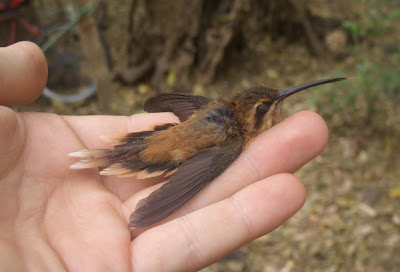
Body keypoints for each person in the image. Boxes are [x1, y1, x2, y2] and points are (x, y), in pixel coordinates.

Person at [0, 42, 328, 271]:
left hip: (173, 138)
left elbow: (186, 106)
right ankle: (112, 157)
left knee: (136, 151)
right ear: (253, 120)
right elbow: (200, 172)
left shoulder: (216, 107)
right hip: (171, 146)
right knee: (157, 157)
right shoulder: (233, 143)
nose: (277, 106)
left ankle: (110, 156)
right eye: (266, 109)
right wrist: (164, 199)